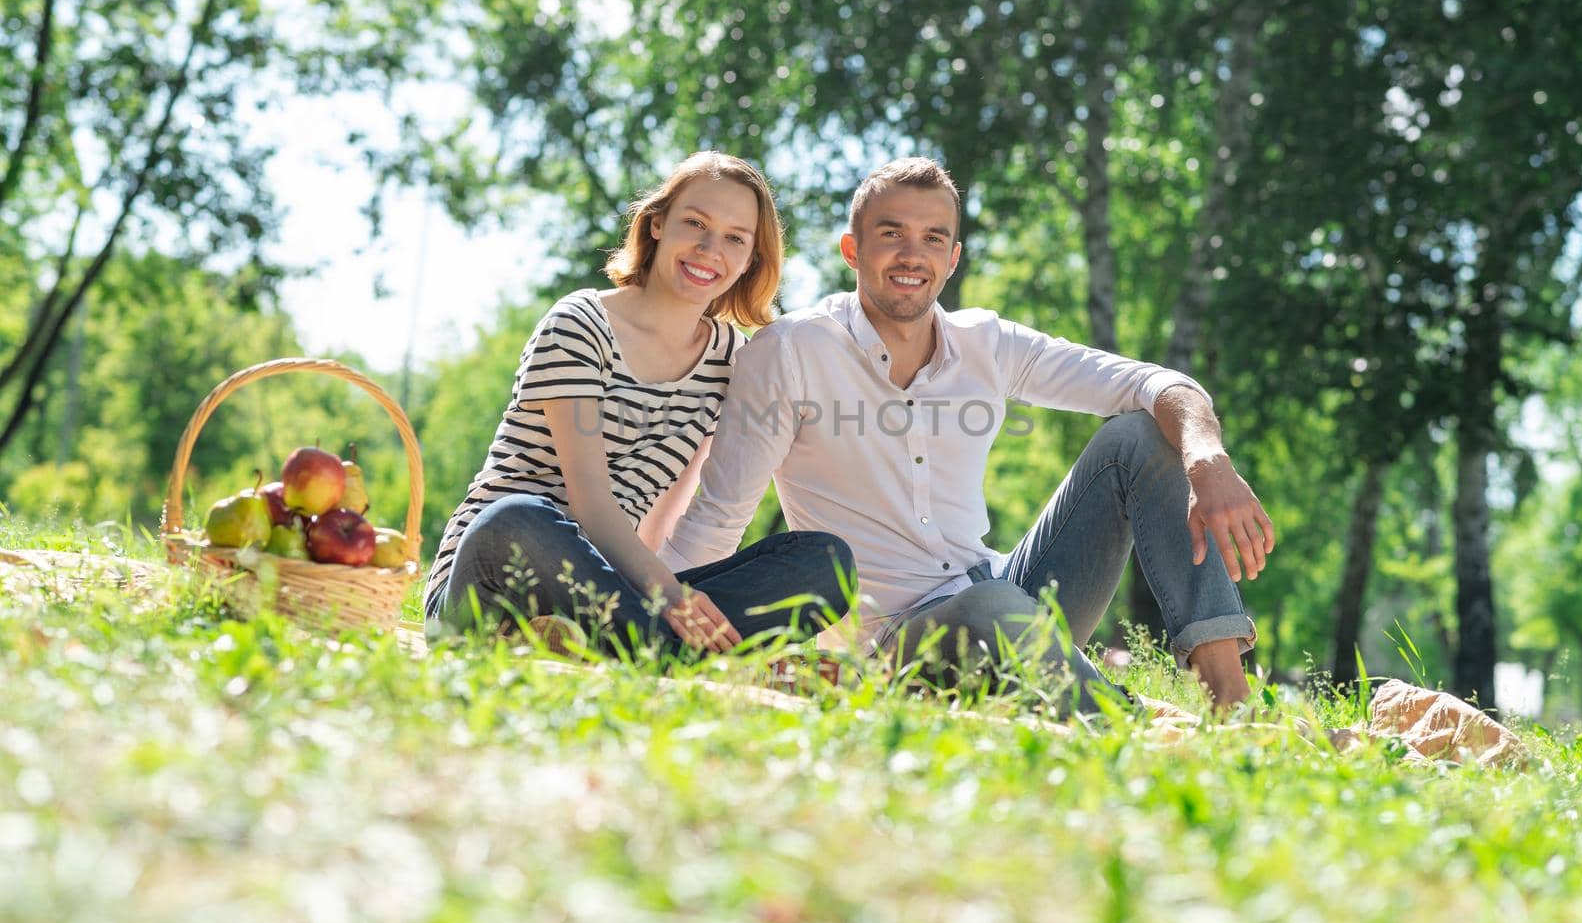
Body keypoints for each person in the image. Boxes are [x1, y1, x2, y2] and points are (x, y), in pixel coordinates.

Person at [659, 157, 1272, 713]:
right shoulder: (791, 352)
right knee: (993, 609)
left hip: (1005, 590)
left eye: (933, 239)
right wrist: (656, 618)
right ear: (852, 249)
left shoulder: (989, 343)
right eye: (891, 234)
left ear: (953, 258)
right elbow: (719, 516)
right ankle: (1129, 719)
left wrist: (1208, 460)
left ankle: (1232, 705)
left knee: (1141, 436)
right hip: (896, 640)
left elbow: (1155, 383)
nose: (911, 255)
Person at [425, 152, 855, 654]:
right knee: (517, 517)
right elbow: (589, 504)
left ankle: (637, 645)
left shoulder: (730, 360)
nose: (709, 249)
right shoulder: (581, 323)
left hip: (609, 592)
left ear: (750, 261)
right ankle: (659, 649)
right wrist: (672, 598)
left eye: (735, 239)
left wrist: (670, 592)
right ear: (656, 225)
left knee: (824, 559)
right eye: (695, 223)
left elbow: (664, 511)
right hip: (493, 573)